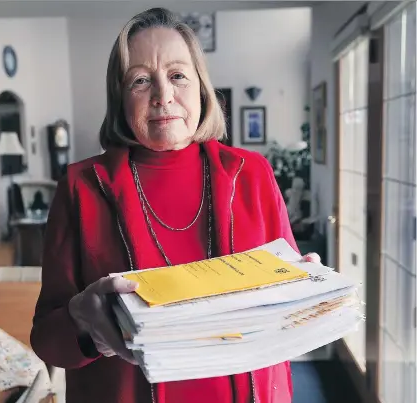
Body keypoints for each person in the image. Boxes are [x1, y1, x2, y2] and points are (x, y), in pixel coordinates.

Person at [30, 7, 320, 403]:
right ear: (120, 97)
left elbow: (287, 299)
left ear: (200, 87)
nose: (163, 95)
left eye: (178, 75)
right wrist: (83, 320)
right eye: (141, 80)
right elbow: (47, 339)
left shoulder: (252, 174)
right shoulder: (80, 187)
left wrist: (309, 290)